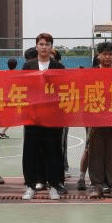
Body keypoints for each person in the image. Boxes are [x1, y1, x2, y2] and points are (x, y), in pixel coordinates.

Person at [21, 33, 67, 200]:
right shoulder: (28, 65)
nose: (44, 47)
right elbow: (22, 88)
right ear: (36, 46)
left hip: (53, 117)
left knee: (53, 151)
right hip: (32, 116)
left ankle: (53, 185)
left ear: (51, 47)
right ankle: (30, 185)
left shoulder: (58, 67)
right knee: (30, 151)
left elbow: (63, 88)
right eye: (41, 44)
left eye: (47, 44)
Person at [85, 41, 112, 198]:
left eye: (110, 54)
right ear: (98, 56)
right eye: (104, 54)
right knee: (95, 152)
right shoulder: (91, 73)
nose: (107, 57)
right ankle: (97, 185)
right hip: (96, 118)